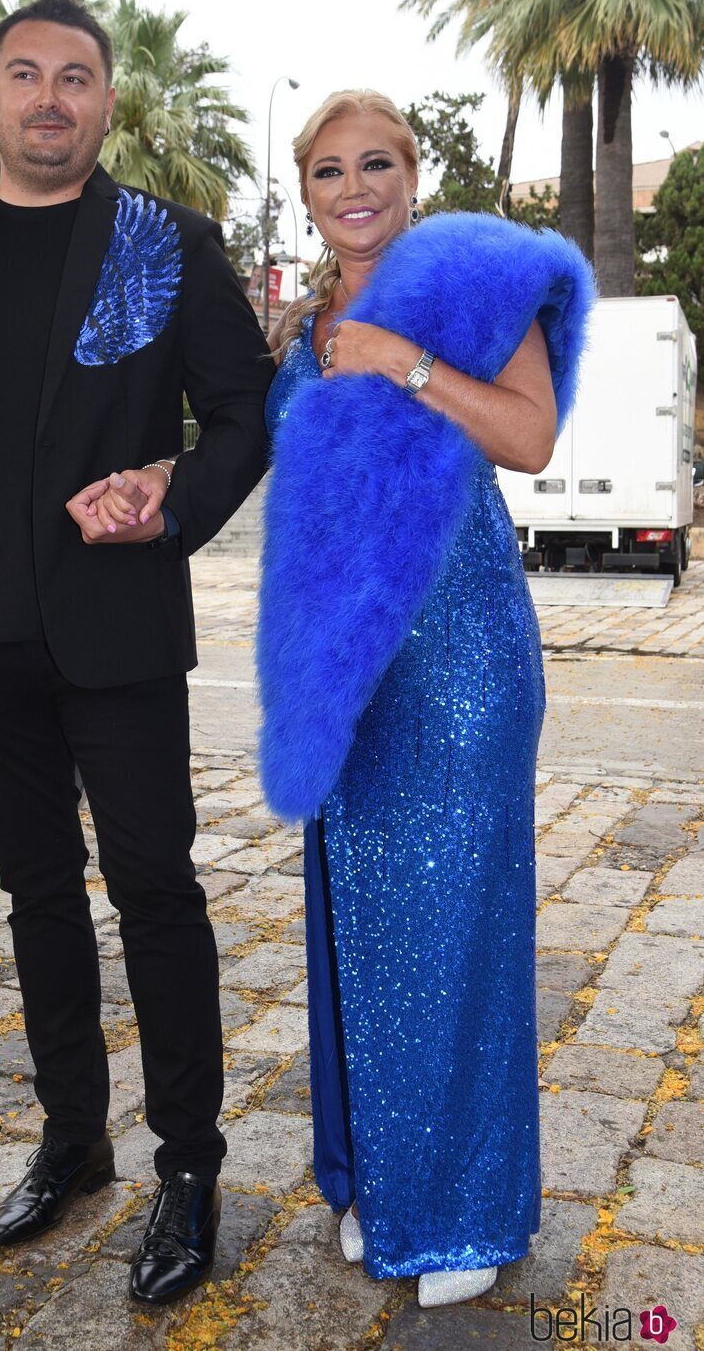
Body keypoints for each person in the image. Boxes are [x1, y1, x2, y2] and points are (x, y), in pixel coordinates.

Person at [0, 0, 271, 1306]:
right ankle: (75, 1144)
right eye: (24, 74)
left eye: (75, 78)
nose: (49, 98)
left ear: (106, 101)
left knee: (156, 891)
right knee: (38, 896)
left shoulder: (171, 241)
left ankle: (188, 1171)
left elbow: (245, 419)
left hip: (121, 632)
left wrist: (170, 500)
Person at [255, 91, 593, 1307]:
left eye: (377, 164)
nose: (355, 187)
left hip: (458, 663)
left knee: (451, 933)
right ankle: (379, 1185)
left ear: (412, 172)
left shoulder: (470, 285)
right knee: (361, 934)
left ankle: (463, 1215)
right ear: (303, 190)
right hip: (348, 677)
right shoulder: (300, 322)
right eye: (329, 169)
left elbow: (530, 434)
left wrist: (403, 363)